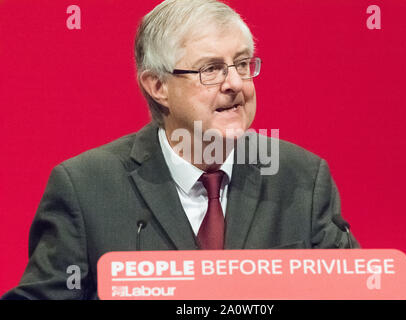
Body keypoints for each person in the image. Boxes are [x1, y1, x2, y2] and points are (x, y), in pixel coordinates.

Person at [3, 0, 359, 300]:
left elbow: (357, 291)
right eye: (211, 69)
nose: (235, 83)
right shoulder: (86, 188)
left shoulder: (300, 178)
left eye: (241, 63)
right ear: (158, 85)